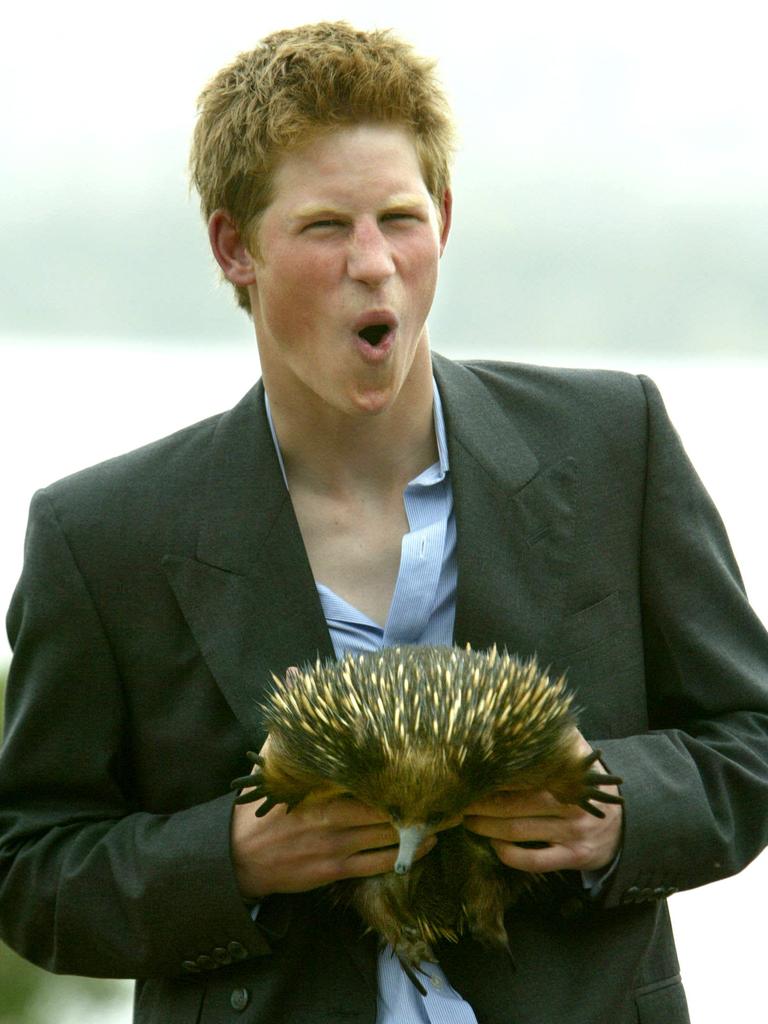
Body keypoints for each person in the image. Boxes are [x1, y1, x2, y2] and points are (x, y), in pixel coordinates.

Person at [1, 21, 767, 1024]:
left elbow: (750, 739)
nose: (376, 264)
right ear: (235, 246)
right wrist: (230, 857)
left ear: (444, 218)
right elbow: (30, 862)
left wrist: (615, 807)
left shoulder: (615, 444)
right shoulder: (102, 535)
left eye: (400, 218)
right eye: (326, 227)